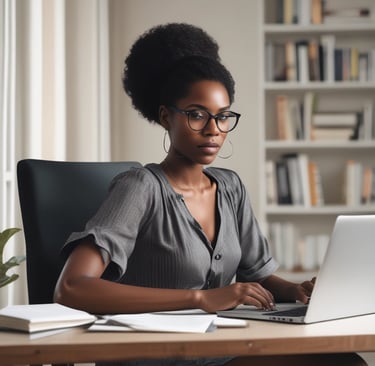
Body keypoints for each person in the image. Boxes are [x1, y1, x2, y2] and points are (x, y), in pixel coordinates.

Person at [54, 23, 366, 366]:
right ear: (165, 116)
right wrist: (201, 298)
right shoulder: (139, 187)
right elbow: (71, 287)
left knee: (342, 360)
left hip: (217, 352)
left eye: (222, 116)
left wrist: (295, 290)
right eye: (196, 115)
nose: (213, 130)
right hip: (154, 358)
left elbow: (255, 274)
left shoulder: (230, 187)